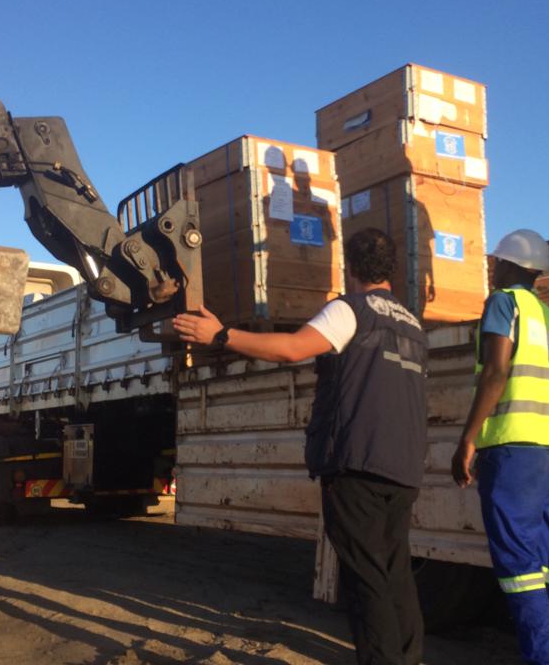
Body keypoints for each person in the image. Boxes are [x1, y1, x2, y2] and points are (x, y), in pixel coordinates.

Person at [174, 227, 429, 665]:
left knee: (366, 580)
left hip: (357, 465)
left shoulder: (350, 311)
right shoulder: (412, 323)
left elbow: (293, 349)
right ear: (392, 271)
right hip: (403, 468)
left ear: (350, 268)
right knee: (395, 574)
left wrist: (221, 335)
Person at [451, 229, 549, 665]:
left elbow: (496, 372)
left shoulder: (504, 302)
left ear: (508, 266)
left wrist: (467, 438)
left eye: (496, 262)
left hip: (511, 447)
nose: (491, 269)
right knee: (543, 561)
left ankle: (545, 660)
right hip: (548, 449)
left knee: (518, 566)